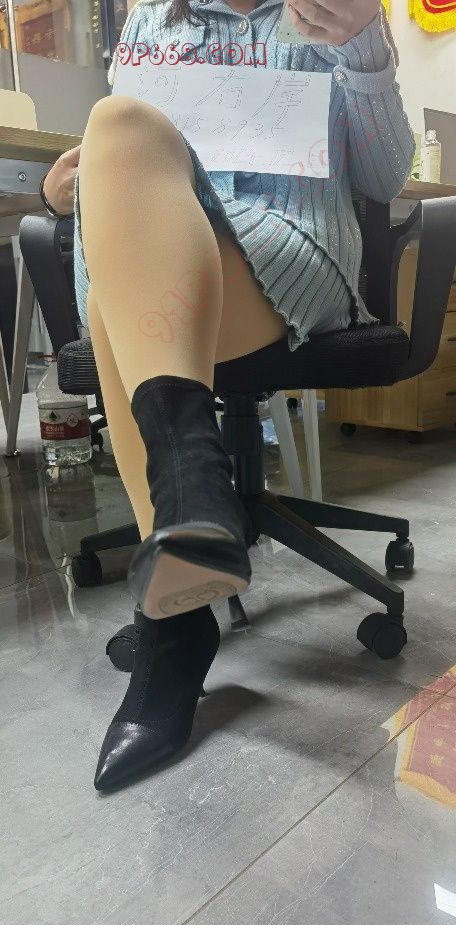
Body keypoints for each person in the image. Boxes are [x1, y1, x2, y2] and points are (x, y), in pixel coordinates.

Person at [44, 0, 414, 792]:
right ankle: (193, 492)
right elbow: (129, 165)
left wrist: (364, 47)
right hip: (162, 247)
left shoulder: (332, 9)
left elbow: (385, 178)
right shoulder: (153, 20)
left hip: (287, 248)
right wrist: (65, 187)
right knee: (116, 124)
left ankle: (173, 631)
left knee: (118, 310)